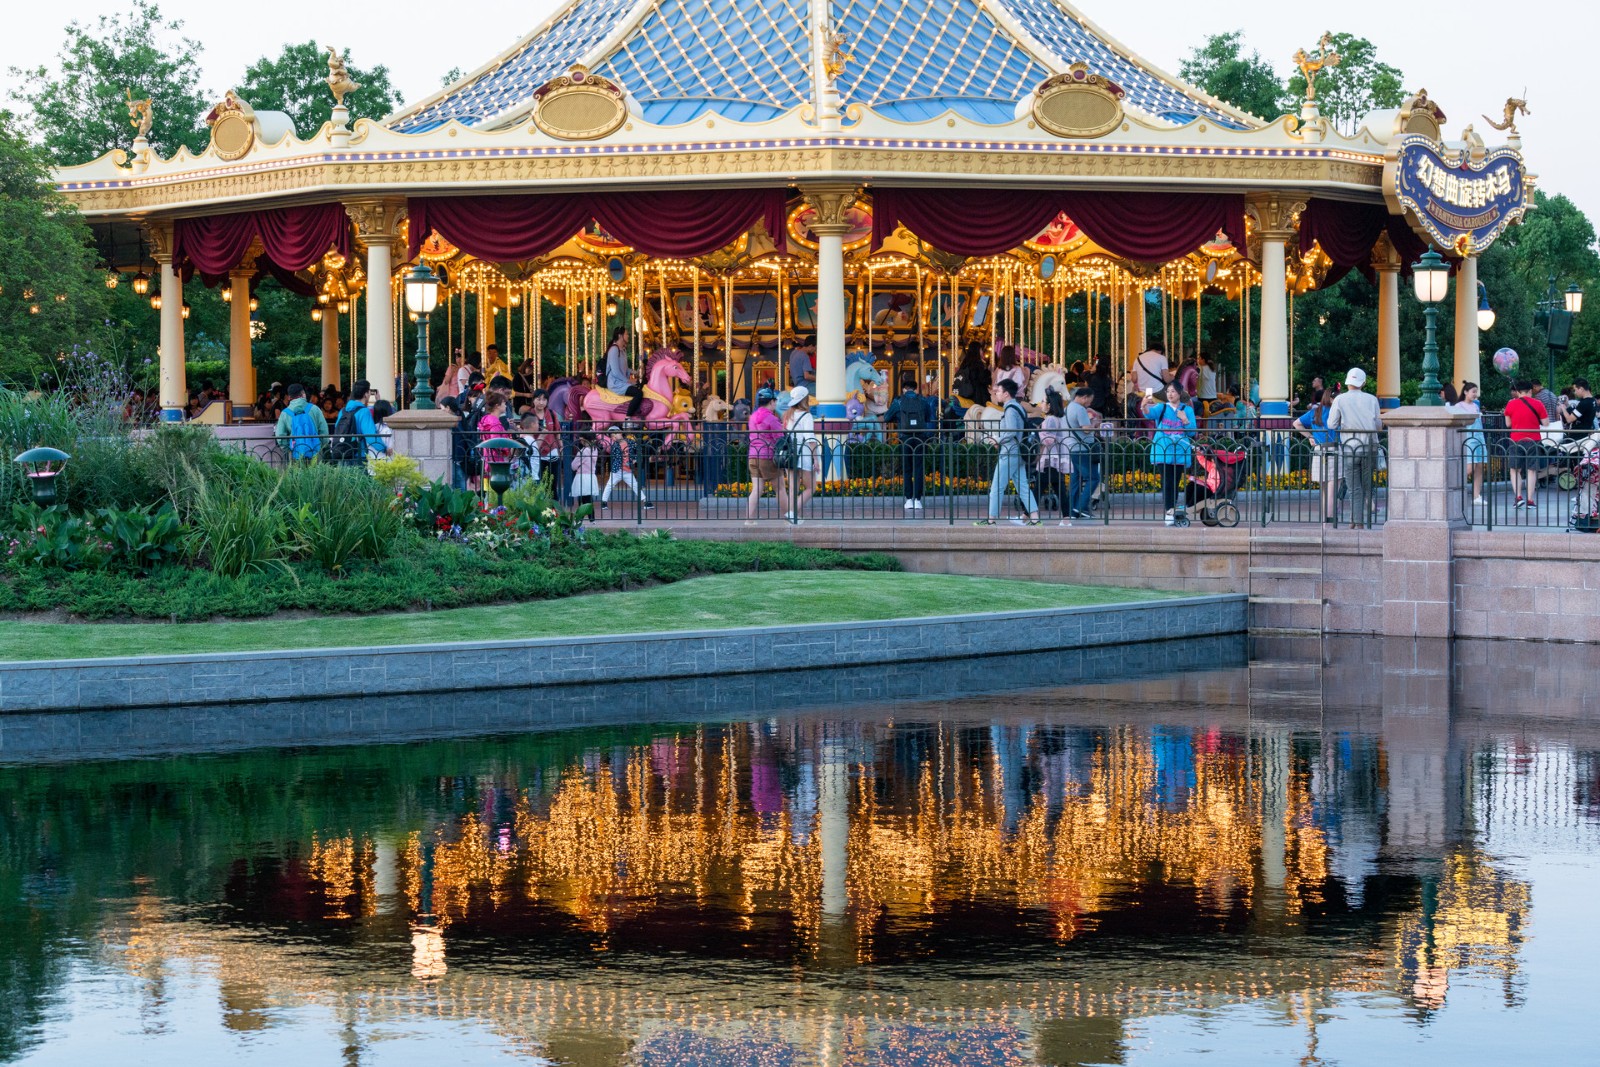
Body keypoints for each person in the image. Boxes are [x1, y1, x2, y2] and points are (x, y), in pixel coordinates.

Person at [974, 379, 1040, 526]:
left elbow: (1011, 431)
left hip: (1010, 452)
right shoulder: (1017, 407)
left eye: (998, 391)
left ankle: (991, 519)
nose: (996, 394)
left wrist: (998, 440)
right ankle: (1035, 518)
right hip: (1017, 452)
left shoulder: (1010, 409)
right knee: (1022, 485)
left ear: (1006, 393)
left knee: (997, 486)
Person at [1325, 368, 1382, 528]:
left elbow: (1331, 424)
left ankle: (1356, 520)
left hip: (1350, 446)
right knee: (1366, 485)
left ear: (1347, 382)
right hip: (1369, 446)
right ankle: (1359, 521)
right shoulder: (1372, 399)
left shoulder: (1340, 399)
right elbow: (1378, 425)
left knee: (1353, 486)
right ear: (1363, 383)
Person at [1143, 383, 1195, 526]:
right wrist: (1144, 406)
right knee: (1167, 481)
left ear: (1179, 393)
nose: (1170, 394)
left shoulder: (1187, 410)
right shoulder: (1162, 407)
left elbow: (1192, 431)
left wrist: (1184, 419)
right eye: (1168, 391)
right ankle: (1169, 511)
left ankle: (1172, 510)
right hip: (1163, 449)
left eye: (1173, 391)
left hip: (1179, 451)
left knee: (1175, 481)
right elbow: (1149, 414)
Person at [883, 373, 932, 510]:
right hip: (920, 438)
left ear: (904, 389)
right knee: (918, 468)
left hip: (905, 438)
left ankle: (908, 499)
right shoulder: (923, 401)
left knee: (907, 469)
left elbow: (887, 417)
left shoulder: (898, 401)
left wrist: (898, 419)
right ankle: (918, 500)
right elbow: (929, 417)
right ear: (915, 389)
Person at [1295, 388, 1338, 522]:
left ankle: (1324, 517)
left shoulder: (1315, 412)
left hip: (1319, 450)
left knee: (1324, 489)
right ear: (1332, 399)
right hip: (1334, 449)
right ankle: (1330, 518)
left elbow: (1296, 423)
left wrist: (1310, 436)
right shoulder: (1335, 412)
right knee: (1332, 487)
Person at [1504, 379, 1548, 511]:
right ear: (1530, 391)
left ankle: (1518, 498)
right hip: (1533, 440)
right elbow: (1545, 423)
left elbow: (1508, 424)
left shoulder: (1510, 404)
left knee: (1515, 469)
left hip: (1516, 440)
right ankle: (1530, 500)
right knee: (1531, 470)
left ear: (1517, 392)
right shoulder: (1538, 403)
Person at [745, 387, 783, 524]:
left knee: (756, 489)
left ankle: (749, 520)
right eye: (775, 401)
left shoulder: (753, 417)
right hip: (767, 456)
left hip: (753, 455)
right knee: (780, 488)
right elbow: (780, 438)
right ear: (771, 402)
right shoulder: (771, 418)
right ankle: (789, 518)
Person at [782, 385, 819, 522]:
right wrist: (815, 458)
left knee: (793, 488)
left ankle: (792, 515)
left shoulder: (787, 415)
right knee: (811, 488)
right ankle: (792, 513)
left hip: (790, 455)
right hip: (803, 455)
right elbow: (810, 438)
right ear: (805, 399)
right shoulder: (806, 416)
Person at [1036, 388, 1073, 525]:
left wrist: (1039, 431)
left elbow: (1048, 440)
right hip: (1056, 458)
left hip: (1051, 458)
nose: (1041, 404)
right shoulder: (1059, 418)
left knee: (1038, 488)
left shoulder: (1050, 419)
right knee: (1059, 489)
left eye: (1043, 401)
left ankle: (1026, 516)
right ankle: (1067, 519)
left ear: (1049, 405)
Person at [598, 422, 652, 513]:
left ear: (620, 433)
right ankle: (603, 502)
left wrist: (635, 459)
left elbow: (638, 451)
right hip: (617, 470)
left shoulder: (630, 442)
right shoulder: (614, 445)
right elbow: (615, 456)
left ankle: (645, 501)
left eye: (615, 434)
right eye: (612, 436)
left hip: (628, 470)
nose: (614, 437)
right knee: (610, 485)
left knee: (635, 485)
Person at [1065, 386, 1101, 519]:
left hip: (1072, 446)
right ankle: (1080, 507)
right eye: (1089, 401)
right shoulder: (1080, 409)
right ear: (1084, 397)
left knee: (1076, 479)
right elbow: (1086, 429)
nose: (1089, 404)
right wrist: (1094, 424)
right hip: (1083, 448)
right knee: (1093, 478)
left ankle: (1073, 509)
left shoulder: (1068, 408)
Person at [273, 383, 329, 462]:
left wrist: (289, 449)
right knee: (316, 474)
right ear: (303, 394)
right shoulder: (315, 409)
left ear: (289, 397)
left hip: (295, 452)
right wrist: (321, 446)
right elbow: (324, 431)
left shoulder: (285, 413)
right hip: (315, 451)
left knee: (297, 474)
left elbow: (280, 436)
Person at [332, 379, 381, 466]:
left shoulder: (343, 411)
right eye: (369, 392)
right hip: (357, 454)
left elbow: (337, 427)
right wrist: (384, 448)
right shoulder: (364, 411)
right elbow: (370, 435)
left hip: (342, 452)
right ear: (365, 394)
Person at [952, 342, 991, 407]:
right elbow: (984, 380)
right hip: (978, 396)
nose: (982, 352)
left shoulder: (964, 363)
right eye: (981, 350)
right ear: (977, 350)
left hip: (967, 395)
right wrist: (988, 371)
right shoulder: (978, 364)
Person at [569, 433, 601, 509]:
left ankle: (580, 518)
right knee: (589, 499)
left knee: (581, 499)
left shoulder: (583, 451)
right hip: (591, 476)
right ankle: (592, 519)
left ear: (583, 439)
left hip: (582, 477)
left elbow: (573, 466)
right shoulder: (594, 449)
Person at [603, 328, 632, 394]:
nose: (628, 336)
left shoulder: (623, 350)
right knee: (638, 393)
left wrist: (636, 372)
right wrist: (628, 381)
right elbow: (615, 372)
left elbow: (625, 369)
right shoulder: (614, 349)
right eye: (626, 334)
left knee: (639, 386)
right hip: (615, 383)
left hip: (621, 382)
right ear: (620, 336)